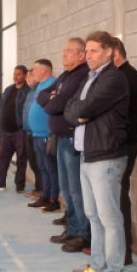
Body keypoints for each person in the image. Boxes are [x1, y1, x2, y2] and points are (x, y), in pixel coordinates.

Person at [65, 30, 130, 272]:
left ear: (108, 52)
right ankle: (98, 264)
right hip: (87, 154)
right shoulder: (90, 78)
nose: (88, 56)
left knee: (109, 216)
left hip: (106, 155)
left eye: (93, 51)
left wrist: (80, 111)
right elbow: (70, 108)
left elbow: (84, 108)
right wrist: (79, 112)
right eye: (87, 51)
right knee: (92, 214)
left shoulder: (113, 78)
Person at [38, 38, 90, 252]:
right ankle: (72, 227)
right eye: (64, 50)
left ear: (81, 55)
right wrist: (53, 97)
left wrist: (54, 98)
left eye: (69, 51)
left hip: (70, 139)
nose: (64, 54)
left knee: (76, 191)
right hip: (60, 139)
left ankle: (82, 234)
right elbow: (43, 97)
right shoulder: (65, 76)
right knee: (67, 189)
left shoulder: (80, 75)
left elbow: (56, 105)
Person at [112, 37, 137, 265]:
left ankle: (123, 251)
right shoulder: (123, 75)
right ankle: (119, 250)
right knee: (115, 197)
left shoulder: (126, 77)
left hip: (122, 146)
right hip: (120, 144)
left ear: (114, 53)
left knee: (118, 198)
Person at [0, 65, 30, 192]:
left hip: (20, 131)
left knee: (21, 159)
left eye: (18, 74)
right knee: (2, 158)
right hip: (6, 131)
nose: (15, 76)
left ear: (25, 75)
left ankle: (20, 186)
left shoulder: (27, 91)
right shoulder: (8, 89)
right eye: (14, 73)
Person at [27, 59, 60, 212]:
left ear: (44, 71)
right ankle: (45, 195)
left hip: (47, 134)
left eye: (35, 69)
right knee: (43, 167)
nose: (32, 73)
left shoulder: (53, 84)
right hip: (38, 134)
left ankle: (53, 199)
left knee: (50, 168)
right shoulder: (40, 85)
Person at [21, 68, 45, 199]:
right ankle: (38, 188)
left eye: (30, 76)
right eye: (27, 77)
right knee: (33, 163)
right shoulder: (30, 91)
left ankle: (42, 191)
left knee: (40, 163)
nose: (27, 79)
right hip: (28, 132)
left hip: (38, 133)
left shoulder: (39, 91)